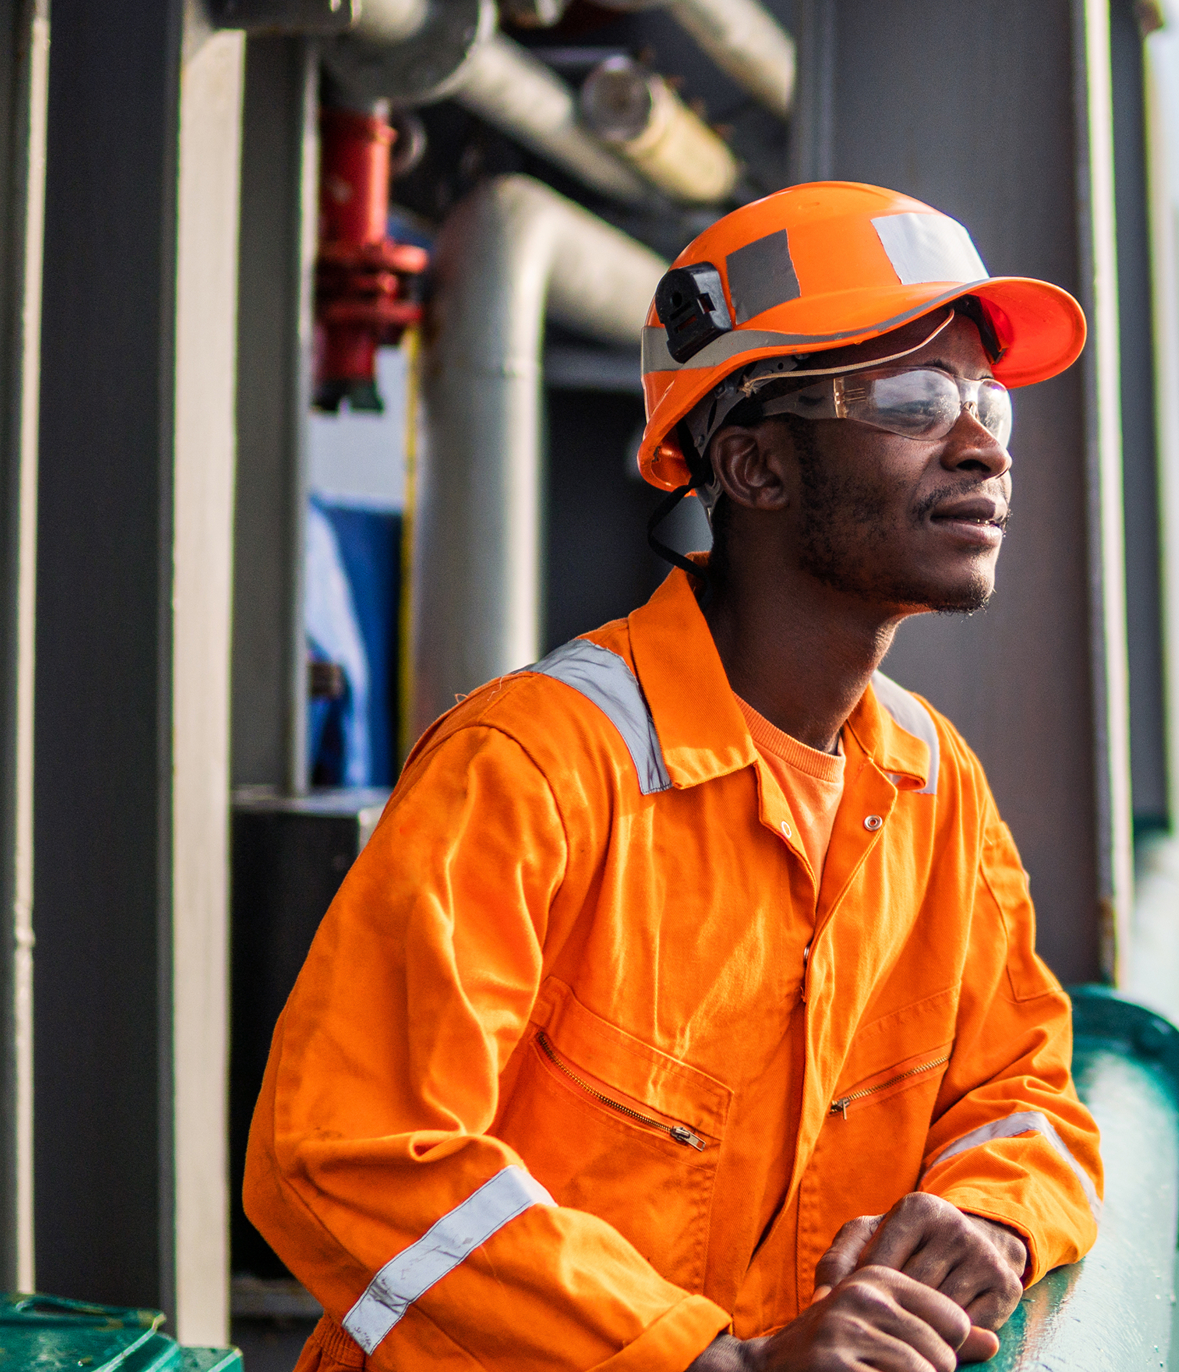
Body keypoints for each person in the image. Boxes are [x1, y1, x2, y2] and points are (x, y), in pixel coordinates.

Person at [243, 181, 1102, 1372]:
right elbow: (352, 1153)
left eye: (986, 401)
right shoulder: (532, 771)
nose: (981, 446)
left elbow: (1024, 1089)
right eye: (910, 399)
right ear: (752, 466)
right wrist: (707, 1361)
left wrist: (991, 1217)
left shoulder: (930, 787)